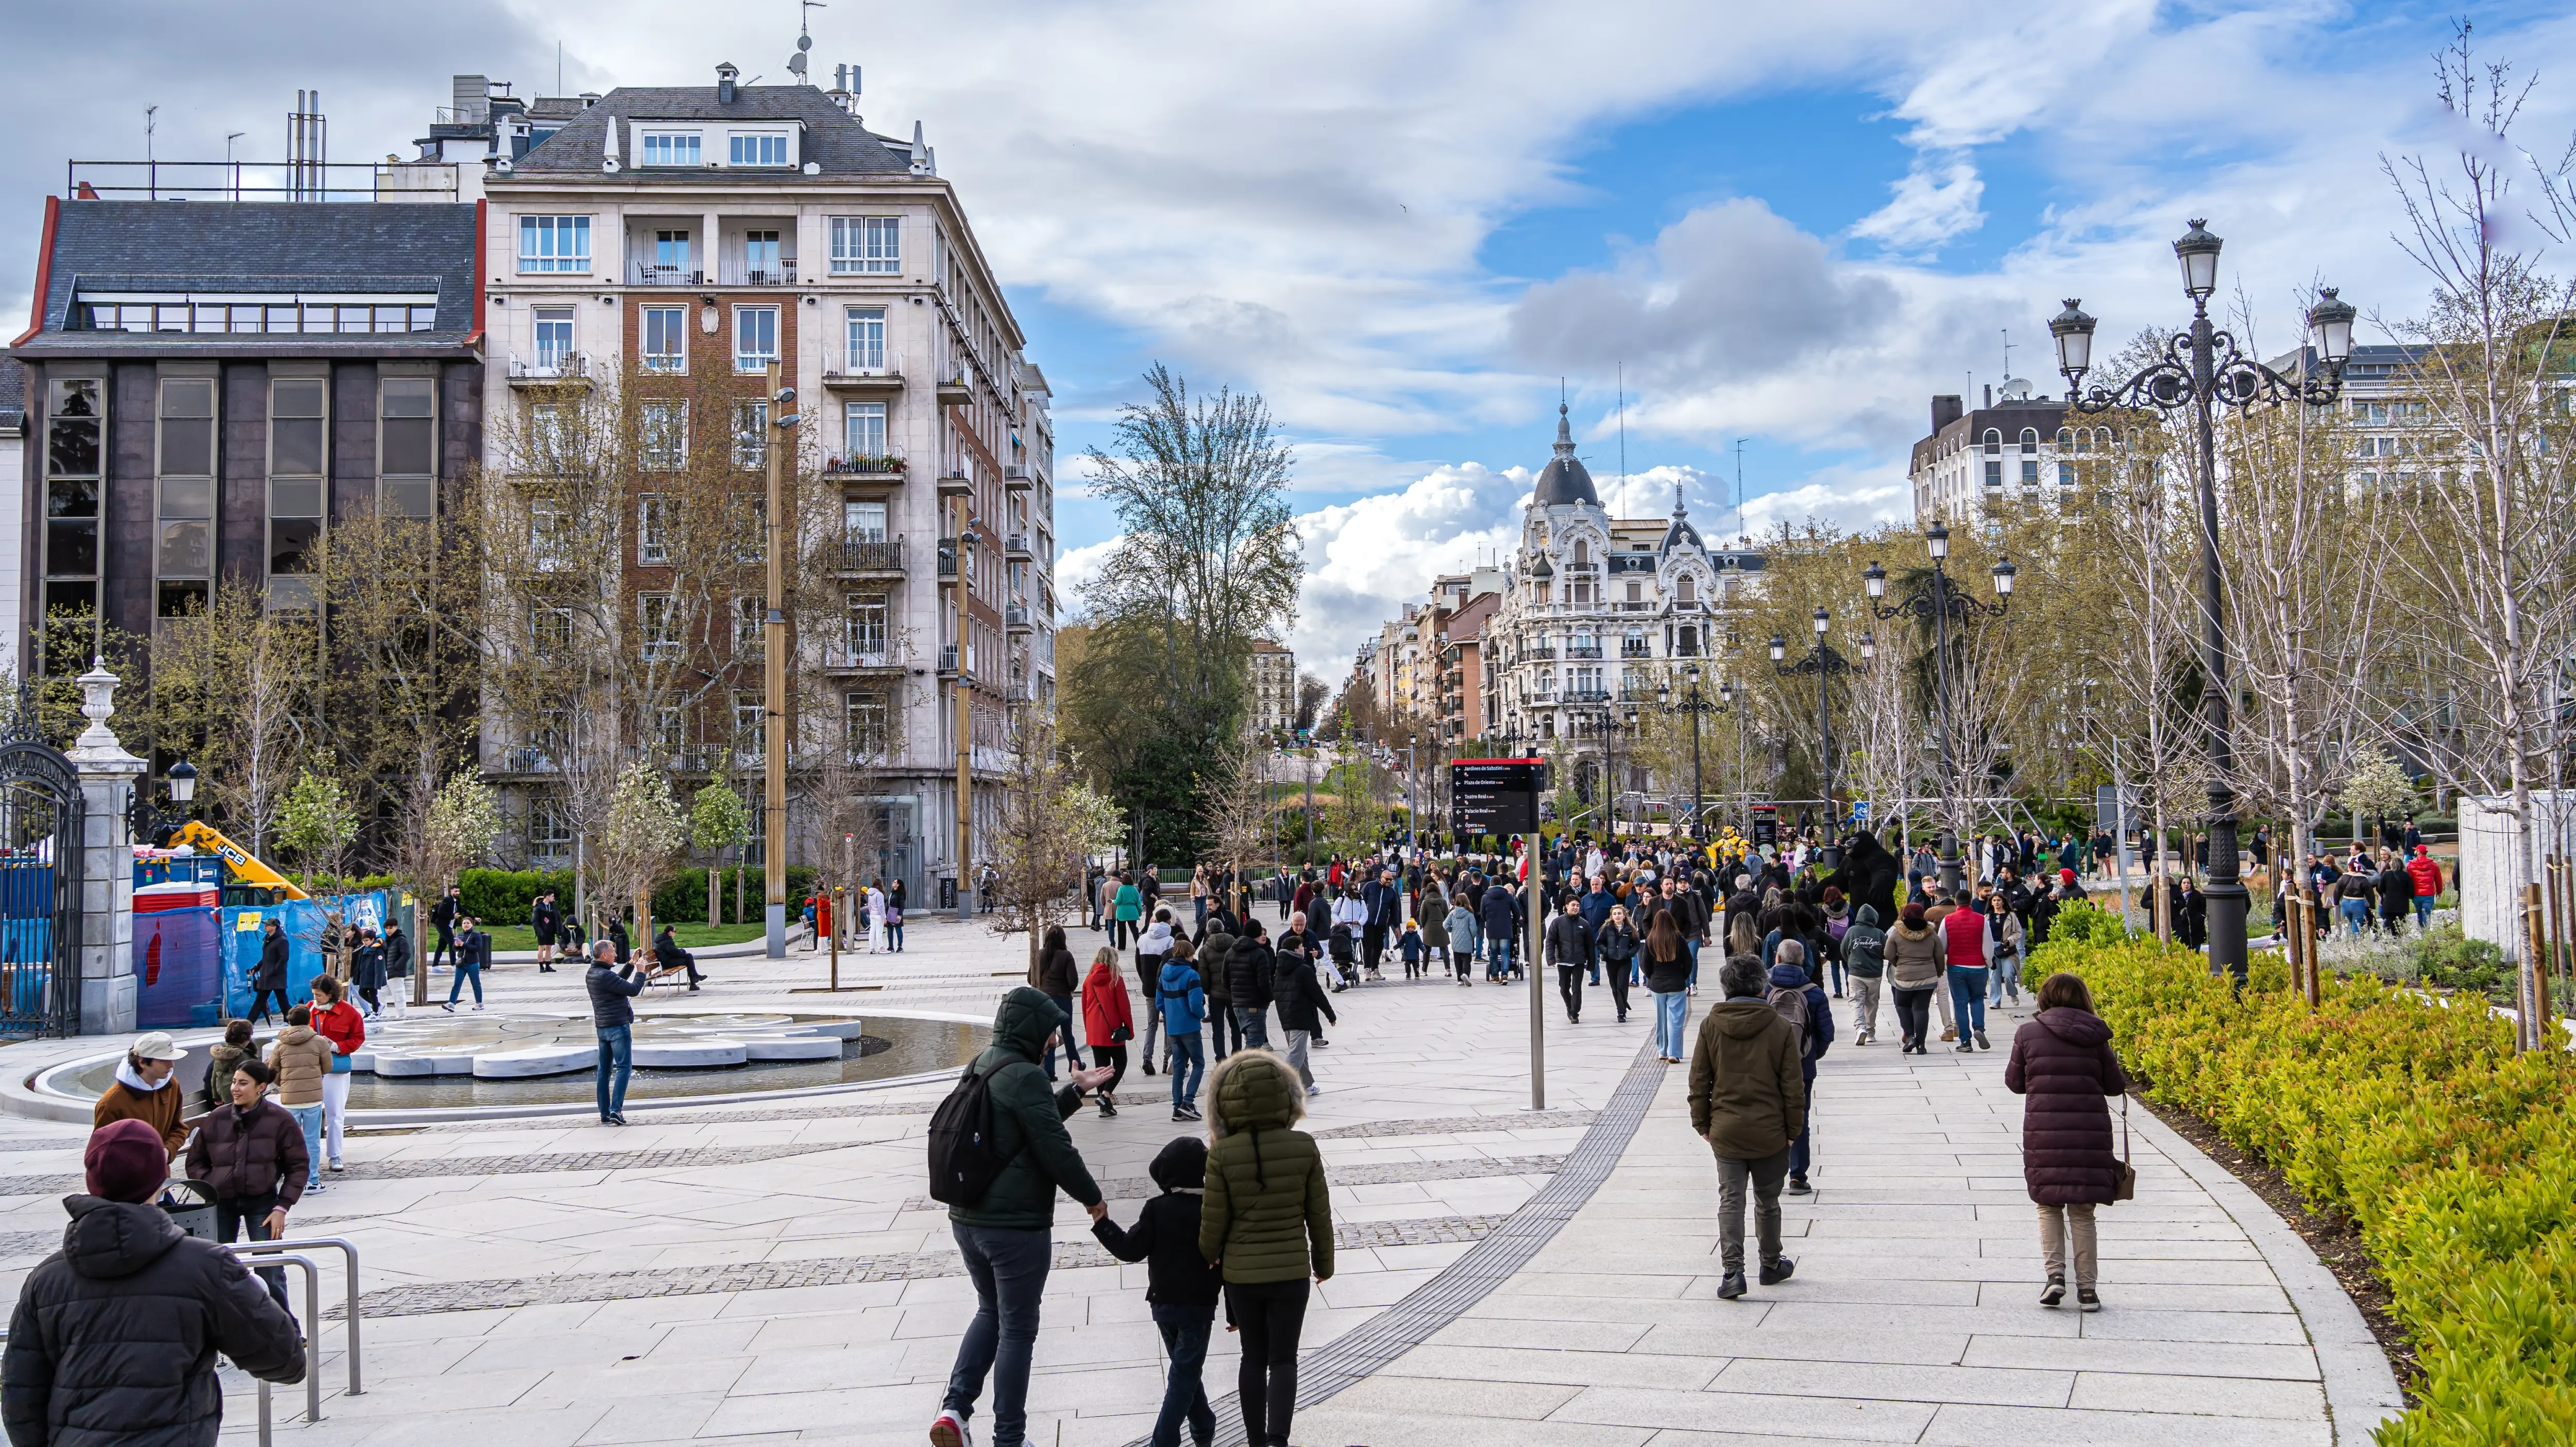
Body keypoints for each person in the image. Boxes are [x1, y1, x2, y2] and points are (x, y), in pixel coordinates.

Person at [4, 1117, 307, 1446]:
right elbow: (285, 1360)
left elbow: (21, 1395)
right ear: (160, 1180)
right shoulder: (206, 1267)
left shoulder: (47, 1278)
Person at [928, 989, 1114, 1447]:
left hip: (967, 1218)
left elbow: (1027, 1124)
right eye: (1050, 1032)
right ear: (1031, 1030)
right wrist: (1093, 1199)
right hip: (1013, 1227)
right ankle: (1009, 1439)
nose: (1054, 1041)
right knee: (1017, 1328)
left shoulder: (982, 1064)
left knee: (990, 1310)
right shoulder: (1027, 1076)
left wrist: (1076, 1091)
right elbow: (1055, 1149)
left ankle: (954, 1410)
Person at [1199, 1049, 1334, 1447]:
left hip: (1242, 1278)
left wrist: (1209, 1256)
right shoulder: (1304, 1147)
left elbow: (1213, 1224)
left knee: (1253, 1358)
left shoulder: (1221, 1154)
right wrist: (1324, 1263)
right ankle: (1278, 1440)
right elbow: (1319, 1214)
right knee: (1284, 1359)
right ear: (1287, 1097)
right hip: (1291, 1273)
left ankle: (1256, 1441)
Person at [2005, 972, 2131, 1311]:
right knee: (2083, 1211)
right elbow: (2115, 1086)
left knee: (2048, 1205)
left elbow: (2015, 1083)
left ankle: (2055, 1277)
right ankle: (2088, 1291)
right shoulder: (2096, 1033)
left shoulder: (2028, 1032)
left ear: (2045, 997)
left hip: (2044, 1134)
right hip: (2089, 1134)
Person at [1091, 1137, 1223, 1447]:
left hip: (1164, 1307)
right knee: (1184, 1373)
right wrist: (1235, 1311)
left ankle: (1203, 1426)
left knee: (1184, 1371)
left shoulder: (1157, 1209)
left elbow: (1130, 1250)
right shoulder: (1213, 1209)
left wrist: (1103, 1223)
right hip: (1198, 1307)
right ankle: (1167, 1440)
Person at [1689, 953, 1805, 1300]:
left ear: (1727, 987)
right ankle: (1770, 1264)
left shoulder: (1711, 1025)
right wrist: (1793, 1130)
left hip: (1726, 1128)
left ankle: (1733, 1273)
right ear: (1761, 986)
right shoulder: (1779, 1026)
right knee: (1768, 1201)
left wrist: (1702, 1123)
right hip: (1771, 1129)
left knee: (1731, 1200)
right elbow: (1793, 1086)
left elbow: (1699, 1080)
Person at [184, 1057, 308, 1316]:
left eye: (243, 1083)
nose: (235, 1088)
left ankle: (284, 1328)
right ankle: (220, 1327)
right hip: (221, 1203)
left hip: (263, 1203)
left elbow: (298, 1166)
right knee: (216, 1268)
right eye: (234, 1082)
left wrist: (282, 1207)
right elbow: (195, 1161)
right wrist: (211, 1184)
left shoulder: (281, 1120)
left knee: (270, 1269)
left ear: (261, 1087)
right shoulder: (217, 1118)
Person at [1768, 939, 1832, 1196]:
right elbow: (1826, 1033)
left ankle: (1771, 1176)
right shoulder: (1814, 993)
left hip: (1767, 1068)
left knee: (1769, 1118)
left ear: (1778, 959)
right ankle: (1797, 1177)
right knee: (1800, 1120)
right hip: (1801, 1068)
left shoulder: (1762, 988)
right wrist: (1811, 1054)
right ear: (1803, 961)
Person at [586, 938, 660, 1126]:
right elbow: (633, 990)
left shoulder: (593, 973)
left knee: (604, 1071)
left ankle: (605, 1113)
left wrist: (630, 964)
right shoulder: (605, 975)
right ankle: (616, 1110)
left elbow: (616, 983)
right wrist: (641, 971)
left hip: (603, 1029)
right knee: (624, 1067)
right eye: (613, 951)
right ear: (604, 955)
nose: (616, 954)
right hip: (618, 1027)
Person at [89, 1031, 191, 1162]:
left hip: (160, 1171)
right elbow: (100, 1153)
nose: (171, 1065)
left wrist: (168, 1150)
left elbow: (178, 1128)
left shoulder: (172, 1085)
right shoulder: (111, 1103)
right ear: (142, 1062)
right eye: (163, 1060)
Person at [265, 1005, 331, 1196]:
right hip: (313, 1098)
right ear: (309, 1020)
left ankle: (294, 1180)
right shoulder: (319, 1041)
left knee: (290, 1141)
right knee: (312, 1141)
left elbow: (273, 1071)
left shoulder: (281, 1044)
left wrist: (285, 1084)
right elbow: (327, 1067)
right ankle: (312, 1181)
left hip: (290, 1099)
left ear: (289, 1022)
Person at [1270, 929, 1338, 1095]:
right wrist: (1330, 1015)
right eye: (1302, 947)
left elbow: (1276, 993)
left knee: (1301, 1054)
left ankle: (1307, 1086)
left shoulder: (1280, 970)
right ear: (1296, 950)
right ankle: (1277, 1088)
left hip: (1285, 1017)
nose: (1304, 949)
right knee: (1296, 1055)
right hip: (1300, 1017)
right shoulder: (1304, 970)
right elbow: (1317, 995)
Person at [310, 975, 363, 1175]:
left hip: (336, 1069)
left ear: (330, 994)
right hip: (312, 1070)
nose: (315, 999)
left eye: (319, 995)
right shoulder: (309, 1010)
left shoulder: (349, 1013)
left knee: (336, 1114)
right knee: (310, 1114)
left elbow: (358, 1038)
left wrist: (337, 1046)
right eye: (314, 995)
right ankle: (310, 1156)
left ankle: (335, 1155)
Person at [1158, 941, 1209, 1122]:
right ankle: (1188, 1102)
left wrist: (1171, 1014)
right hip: (1190, 1027)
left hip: (1173, 1028)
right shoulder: (1191, 975)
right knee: (1199, 1063)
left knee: (1179, 1067)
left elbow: (1159, 1002)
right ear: (1188, 955)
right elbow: (1196, 1004)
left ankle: (1177, 1107)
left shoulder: (1164, 974)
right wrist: (1202, 1014)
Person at [1081, 946, 1133, 1119]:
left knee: (1101, 1068)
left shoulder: (1089, 980)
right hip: (1112, 1030)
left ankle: (1104, 1108)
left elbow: (1084, 1007)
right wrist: (1130, 1029)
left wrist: (1089, 1029)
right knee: (1121, 1062)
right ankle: (1106, 1094)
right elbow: (1124, 1007)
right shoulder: (1116, 979)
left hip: (1095, 1030)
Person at [1886, 903, 1945, 1055]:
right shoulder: (1931, 933)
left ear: (1905, 915)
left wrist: (1898, 963)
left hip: (1904, 978)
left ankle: (1910, 1036)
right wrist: (1938, 972)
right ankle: (1921, 1046)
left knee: (1902, 1006)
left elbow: (1888, 953)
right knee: (1922, 1010)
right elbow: (1939, 955)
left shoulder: (1897, 932)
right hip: (1927, 978)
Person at [1941, 893, 1994, 1051]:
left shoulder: (1948, 920)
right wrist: (1988, 963)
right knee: (1977, 1000)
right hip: (1978, 966)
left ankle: (1965, 1041)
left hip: (1956, 966)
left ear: (1956, 902)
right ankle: (1979, 1028)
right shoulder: (1981, 920)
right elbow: (1988, 945)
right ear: (1971, 902)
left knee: (1960, 1004)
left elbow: (1942, 945)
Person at [1643, 911, 1692, 1064]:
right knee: (1676, 1020)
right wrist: (1683, 977)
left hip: (1657, 984)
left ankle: (1662, 1051)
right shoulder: (1679, 938)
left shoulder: (1651, 939)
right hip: (1676, 983)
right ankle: (1674, 1053)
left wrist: (1652, 977)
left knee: (1661, 1019)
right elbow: (1688, 962)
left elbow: (1645, 964)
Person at [1035, 926, 1082, 1083]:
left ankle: (1049, 1071)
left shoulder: (1040, 955)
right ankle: (1075, 1065)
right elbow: (1073, 983)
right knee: (1067, 1034)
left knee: (1049, 1035)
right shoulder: (1066, 956)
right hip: (1062, 999)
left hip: (1044, 1000)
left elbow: (1031, 978)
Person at [1226, 920, 1276, 1052]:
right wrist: (1270, 997)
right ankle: (1242, 1065)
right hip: (1255, 1005)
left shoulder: (1231, 952)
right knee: (1254, 1044)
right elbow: (1264, 981)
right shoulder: (1260, 953)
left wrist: (1236, 996)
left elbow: (1225, 980)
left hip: (1238, 1005)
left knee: (1250, 1040)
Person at [1843, 904, 1888, 1046]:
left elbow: (1844, 949)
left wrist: (1851, 962)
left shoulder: (1852, 931)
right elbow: (1886, 953)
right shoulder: (1879, 933)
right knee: (1872, 1003)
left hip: (1856, 973)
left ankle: (1860, 1028)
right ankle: (1870, 1032)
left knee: (1856, 1001)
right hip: (1875, 974)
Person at [1547, 897, 1594, 1024]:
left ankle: (1574, 1013)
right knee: (1564, 988)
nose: (1575, 908)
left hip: (1579, 961)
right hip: (1563, 961)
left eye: (1578, 906)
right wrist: (1551, 959)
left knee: (1577, 988)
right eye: (1573, 905)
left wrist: (1591, 963)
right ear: (1567, 906)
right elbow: (1550, 941)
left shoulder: (1584, 924)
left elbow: (1590, 945)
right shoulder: (1558, 922)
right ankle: (1569, 1007)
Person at [1596, 903, 1640, 1024]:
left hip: (1625, 961)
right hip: (1611, 961)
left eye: (1619, 913)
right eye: (1615, 914)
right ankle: (1621, 1005)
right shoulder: (1607, 928)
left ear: (1624, 915)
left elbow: (1636, 944)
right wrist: (1606, 952)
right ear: (1612, 916)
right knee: (1615, 987)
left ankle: (1621, 1013)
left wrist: (1629, 953)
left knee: (1622, 986)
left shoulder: (1630, 929)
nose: (1617, 916)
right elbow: (1599, 943)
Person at [202, 1021, 253, 1113]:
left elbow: (213, 1077)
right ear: (247, 1039)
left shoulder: (220, 1057)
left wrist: (216, 1097)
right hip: (238, 1098)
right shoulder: (244, 1056)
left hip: (223, 1098)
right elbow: (254, 1079)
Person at [248, 918, 291, 1026]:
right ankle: (250, 1022)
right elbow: (266, 958)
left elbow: (284, 958)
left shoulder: (282, 940)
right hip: (266, 976)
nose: (265, 926)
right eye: (265, 925)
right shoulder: (267, 939)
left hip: (277, 976)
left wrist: (275, 971)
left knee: (282, 999)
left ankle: (289, 1020)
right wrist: (256, 967)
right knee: (261, 999)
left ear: (274, 927)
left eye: (268, 925)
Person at [443, 914, 488, 1012]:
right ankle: (451, 1003)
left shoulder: (476, 935)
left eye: (468, 923)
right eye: (464, 923)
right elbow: (454, 949)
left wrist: (464, 945)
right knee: (457, 984)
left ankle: (479, 1003)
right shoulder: (460, 935)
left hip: (473, 963)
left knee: (476, 984)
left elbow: (478, 948)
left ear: (472, 924)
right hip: (461, 963)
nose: (466, 925)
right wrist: (456, 945)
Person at [1480, 878, 1518, 983]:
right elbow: (1517, 912)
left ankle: (1495, 975)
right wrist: (1513, 922)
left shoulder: (1485, 897)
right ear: (1501, 884)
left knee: (1493, 952)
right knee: (1505, 952)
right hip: (1506, 928)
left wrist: (1488, 921)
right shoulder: (1508, 896)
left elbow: (1483, 914)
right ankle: (1505, 975)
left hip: (1492, 929)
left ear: (1491, 884)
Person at [654, 923, 706, 990]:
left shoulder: (664, 939)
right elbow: (675, 953)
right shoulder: (667, 941)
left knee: (688, 957)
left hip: (667, 960)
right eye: (674, 931)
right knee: (689, 958)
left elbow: (673, 951)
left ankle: (694, 981)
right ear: (670, 932)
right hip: (667, 963)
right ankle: (694, 981)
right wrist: (683, 952)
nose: (675, 933)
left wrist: (682, 951)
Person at [2407, 846, 2444, 931]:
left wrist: (2408, 893)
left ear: (2419, 852)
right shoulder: (2434, 865)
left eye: (2416, 850)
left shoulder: (2411, 865)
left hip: (2416, 894)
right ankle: (2425, 933)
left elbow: (2408, 880)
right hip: (2429, 894)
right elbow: (2438, 880)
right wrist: (2439, 892)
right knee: (2427, 914)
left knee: (2419, 914)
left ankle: (2422, 931)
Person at [1443, 895, 1478, 985]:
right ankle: (1465, 974)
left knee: (1457, 960)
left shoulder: (1452, 913)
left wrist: (1452, 930)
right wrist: (1472, 936)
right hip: (1467, 939)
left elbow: (1445, 924)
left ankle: (1459, 980)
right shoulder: (1470, 914)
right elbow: (1473, 929)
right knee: (1467, 959)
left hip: (1456, 939)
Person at [428, 884, 462, 970]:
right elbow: (441, 912)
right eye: (456, 891)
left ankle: (435, 966)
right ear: (451, 891)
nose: (457, 893)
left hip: (447, 926)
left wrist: (474, 918)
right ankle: (454, 964)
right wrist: (453, 916)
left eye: (459, 891)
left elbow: (462, 910)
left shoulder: (456, 901)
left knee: (442, 945)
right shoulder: (447, 900)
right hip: (442, 925)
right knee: (452, 942)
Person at [532, 888, 562, 973]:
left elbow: (557, 918)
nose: (553, 898)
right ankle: (541, 966)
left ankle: (548, 965)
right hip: (542, 930)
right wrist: (540, 931)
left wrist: (559, 930)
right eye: (552, 896)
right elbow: (535, 921)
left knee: (549, 948)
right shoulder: (538, 907)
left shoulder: (553, 906)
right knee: (541, 948)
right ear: (547, 897)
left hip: (550, 930)